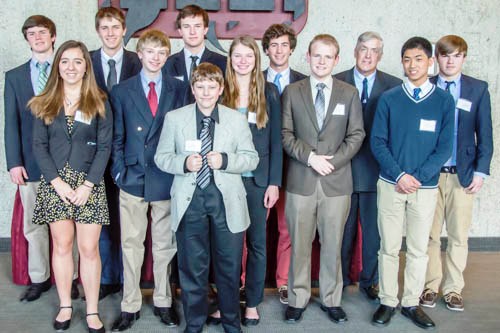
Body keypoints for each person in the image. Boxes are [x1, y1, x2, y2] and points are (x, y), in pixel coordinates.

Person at [154, 62, 259, 333]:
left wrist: (224, 159)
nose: (206, 92)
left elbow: (251, 158)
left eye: (212, 87)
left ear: (221, 88)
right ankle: (195, 323)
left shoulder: (235, 119)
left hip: (226, 203)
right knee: (192, 268)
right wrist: (183, 163)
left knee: (228, 266)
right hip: (190, 202)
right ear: (192, 88)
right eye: (200, 87)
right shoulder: (175, 118)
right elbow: (161, 157)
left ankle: (231, 323)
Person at [370, 37, 455, 329]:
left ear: (430, 62)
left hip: (425, 187)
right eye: (407, 59)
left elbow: (445, 146)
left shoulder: (444, 100)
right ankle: (388, 300)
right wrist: (400, 175)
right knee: (389, 247)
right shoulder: (390, 98)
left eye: (418, 58)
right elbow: (378, 142)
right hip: (391, 184)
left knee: (419, 248)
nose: (412, 64)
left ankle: (410, 302)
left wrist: (417, 177)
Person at [29, 40, 112, 333]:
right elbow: (38, 146)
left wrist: (88, 185)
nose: (71, 67)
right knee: (62, 246)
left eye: (78, 61)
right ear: (58, 66)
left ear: (85, 66)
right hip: (55, 183)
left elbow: (104, 148)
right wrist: (57, 183)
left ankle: (91, 311)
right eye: (65, 61)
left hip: (89, 183)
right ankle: (65, 305)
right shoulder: (44, 101)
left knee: (88, 249)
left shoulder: (99, 100)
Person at [281, 34, 365, 324]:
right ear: (307, 56)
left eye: (327, 57)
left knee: (333, 243)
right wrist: (310, 157)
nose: (321, 61)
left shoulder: (348, 93)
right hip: (301, 180)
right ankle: (298, 298)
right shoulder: (293, 91)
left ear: (336, 60)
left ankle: (331, 299)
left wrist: (333, 162)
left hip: (336, 182)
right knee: (300, 244)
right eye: (317, 55)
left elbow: (357, 135)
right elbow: (285, 135)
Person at [109, 29, 186, 332]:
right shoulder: (121, 90)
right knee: (131, 245)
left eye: (161, 52)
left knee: (165, 246)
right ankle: (130, 305)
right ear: (139, 54)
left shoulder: (178, 89)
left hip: (167, 178)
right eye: (150, 52)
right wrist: (118, 172)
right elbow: (117, 136)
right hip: (132, 177)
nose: (155, 58)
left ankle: (164, 301)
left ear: (167, 56)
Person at [4, 14, 79, 302]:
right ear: (27, 39)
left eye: (42, 32)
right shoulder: (14, 77)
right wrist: (13, 162)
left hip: (67, 164)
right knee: (34, 226)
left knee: (68, 225)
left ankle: (70, 277)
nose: (37, 37)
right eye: (32, 33)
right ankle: (39, 278)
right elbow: (11, 122)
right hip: (31, 164)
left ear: (53, 36)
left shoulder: (68, 71)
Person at [420, 35, 493, 312]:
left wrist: (481, 172)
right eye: (445, 55)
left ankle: (452, 290)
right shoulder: (424, 88)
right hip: (430, 175)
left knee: (459, 236)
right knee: (428, 234)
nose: (450, 61)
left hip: (462, 174)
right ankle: (430, 286)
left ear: (463, 58)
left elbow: (485, 135)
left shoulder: (477, 90)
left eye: (456, 55)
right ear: (436, 59)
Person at [335, 31, 402, 301]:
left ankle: (370, 281)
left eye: (374, 50)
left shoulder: (394, 85)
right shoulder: (336, 81)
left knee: (374, 234)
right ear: (355, 50)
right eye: (363, 48)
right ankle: (338, 280)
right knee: (341, 232)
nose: (367, 55)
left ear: (380, 55)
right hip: (342, 170)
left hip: (378, 171)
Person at [221, 35, 282, 326]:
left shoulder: (269, 92)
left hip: (258, 182)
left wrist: (274, 182)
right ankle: (227, 300)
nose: (243, 61)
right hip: (227, 181)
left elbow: (275, 141)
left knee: (257, 244)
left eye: (249, 56)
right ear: (230, 60)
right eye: (237, 56)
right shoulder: (221, 91)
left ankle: (253, 303)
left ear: (257, 60)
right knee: (227, 245)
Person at [89, 6, 142, 301]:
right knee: (102, 218)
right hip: (95, 153)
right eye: (104, 28)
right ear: (98, 32)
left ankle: (128, 277)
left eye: (115, 27)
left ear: (124, 30)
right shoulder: (85, 62)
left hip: (130, 154)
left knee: (129, 222)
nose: (110, 33)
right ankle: (108, 277)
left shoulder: (138, 61)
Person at [261, 23, 306, 304]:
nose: (279, 50)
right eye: (273, 45)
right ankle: (244, 283)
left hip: (294, 166)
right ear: (265, 50)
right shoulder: (253, 80)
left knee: (287, 227)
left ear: (291, 49)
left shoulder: (304, 83)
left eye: (284, 45)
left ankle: (283, 281)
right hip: (261, 166)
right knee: (251, 227)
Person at [163, 4, 226, 93]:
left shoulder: (223, 63)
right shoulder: (167, 64)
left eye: (197, 26)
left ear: (205, 30)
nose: (192, 32)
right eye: (186, 26)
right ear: (180, 31)